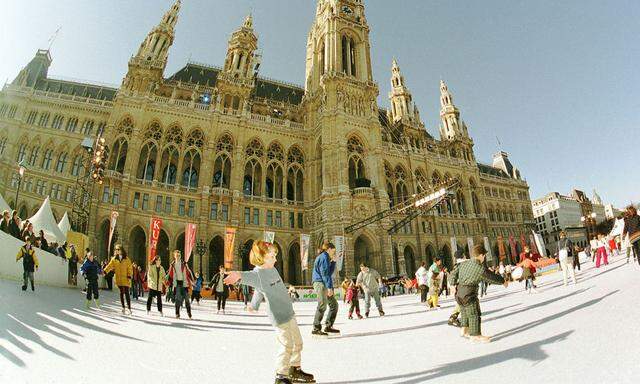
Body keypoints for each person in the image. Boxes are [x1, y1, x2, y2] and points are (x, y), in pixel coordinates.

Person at [224, 240, 315, 384]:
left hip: (289, 312)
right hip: (279, 316)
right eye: (272, 256)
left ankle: (295, 369)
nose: (276, 259)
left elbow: (261, 290)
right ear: (262, 258)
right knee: (286, 345)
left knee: (298, 342)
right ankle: (281, 376)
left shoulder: (272, 269)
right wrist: (237, 274)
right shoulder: (258, 274)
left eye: (275, 255)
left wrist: (254, 306)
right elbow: (246, 276)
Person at [451, 244, 508, 343]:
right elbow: (490, 277)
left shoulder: (464, 263)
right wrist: (503, 281)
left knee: (464, 311)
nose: (484, 258)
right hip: (469, 294)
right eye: (484, 256)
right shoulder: (479, 267)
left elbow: (453, 273)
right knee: (474, 314)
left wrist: (452, 284)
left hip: (459, 293)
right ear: (481, 255)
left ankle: (464, 330)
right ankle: (475, 335)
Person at [311, 243, 339, 336]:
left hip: (323, 282)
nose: (333, 253)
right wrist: (329, 287)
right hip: (320, 282)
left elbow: (328, 272)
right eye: (333, 251)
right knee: (322, 304)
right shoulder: (324, 257)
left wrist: (333, 262)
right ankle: (316, 328)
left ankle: (328, 326)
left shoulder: (326, 257)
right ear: (329, 249)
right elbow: (325, 274)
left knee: (334, 305)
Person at [103, 244, 134, 315]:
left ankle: (129, 308)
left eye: (118, 249)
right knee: (121, 293)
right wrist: (105, 271)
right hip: (119, 279)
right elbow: (109, 266)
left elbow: (130, 268)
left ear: (121, 250)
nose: (117, 251)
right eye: (116, 250)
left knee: (126, 293)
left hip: (126, 278)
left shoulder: (127, 259)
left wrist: (129, 275)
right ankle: (123, 307)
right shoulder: (114, 259)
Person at [166, 250, 193, 319]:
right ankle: (177, 313)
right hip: (177, 283)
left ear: (180, 256)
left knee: (187, 299)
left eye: (179, 255)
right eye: (176, 255)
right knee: (178, 299)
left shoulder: (184, 263)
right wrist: (172, 285)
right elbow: (170, 275)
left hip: (184, 283)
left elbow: (187, 273)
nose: (178, 256)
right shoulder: (172, 264)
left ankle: (189, 313)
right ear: (174, 256)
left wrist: (189, 282)